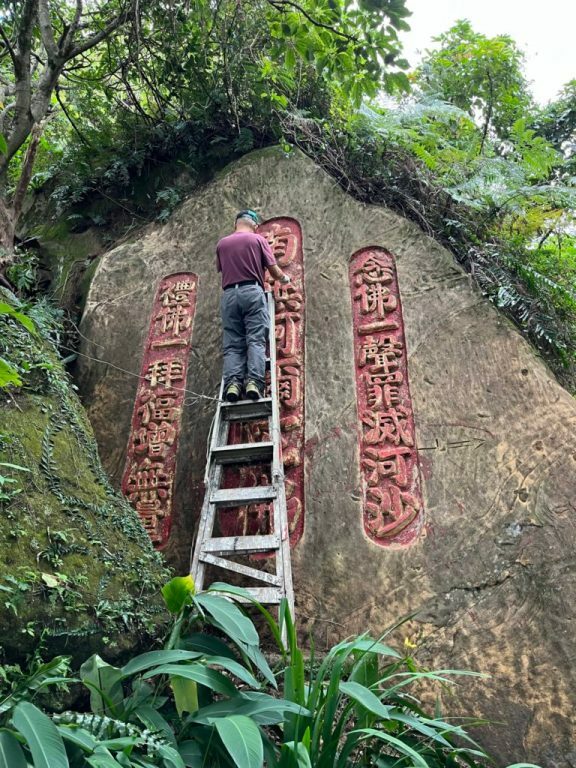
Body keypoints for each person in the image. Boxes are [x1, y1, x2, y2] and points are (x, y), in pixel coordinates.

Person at [216, 209, 290, 402]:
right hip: (251, 291)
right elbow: (273, 269)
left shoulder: (222, 244)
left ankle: (232, 384)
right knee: (255, 340)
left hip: (229, 296)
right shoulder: (258, 241)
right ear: (255, 225)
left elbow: (222, 269)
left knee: (233, 344)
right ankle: (254, 383)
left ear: (236, 223)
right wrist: (284, 279)